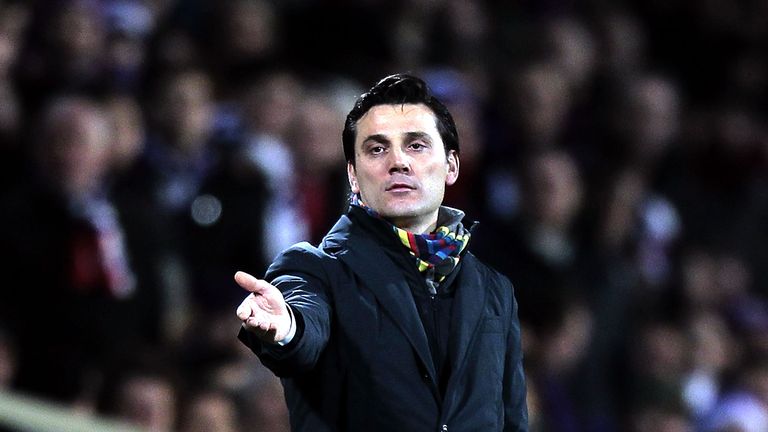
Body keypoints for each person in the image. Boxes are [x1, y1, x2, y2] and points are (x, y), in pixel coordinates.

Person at [235, 73, 528, 431]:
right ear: (354, 176)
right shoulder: (315, 269)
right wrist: (288, 329)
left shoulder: (495, 289)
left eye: (416, 145)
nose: (398, 162)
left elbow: (512, 420)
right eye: (377, 149)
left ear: (452, 166)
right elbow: (304, 327)